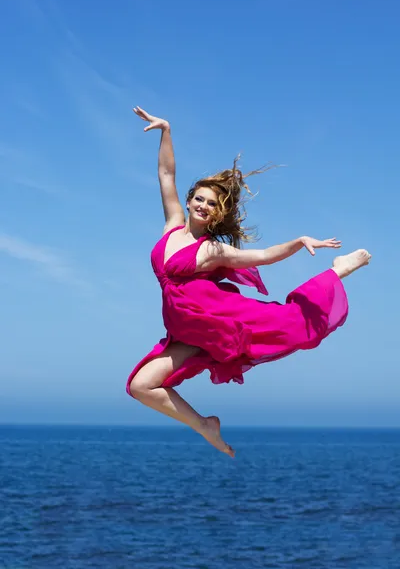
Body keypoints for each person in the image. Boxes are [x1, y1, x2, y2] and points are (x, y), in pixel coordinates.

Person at [126, 106, 371, 458]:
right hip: (184, 331)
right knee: (139, 387)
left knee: (291, 321)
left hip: (210, 325)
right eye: (199, 198)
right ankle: (205, 425)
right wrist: (166, 130)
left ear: (216, 212)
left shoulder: (212, 249)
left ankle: (337, 271)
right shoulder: (172, 225)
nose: (202, 205)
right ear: (190, 199)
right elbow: (166, 173)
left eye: (211, 203)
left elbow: (264, 256)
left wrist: (300, 241)